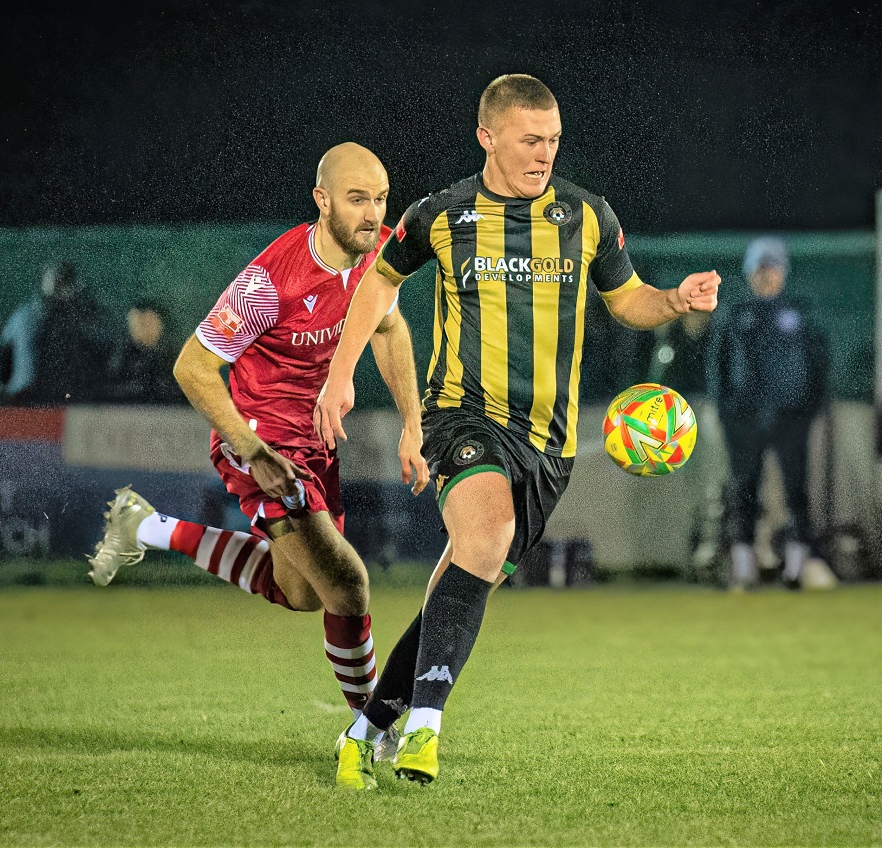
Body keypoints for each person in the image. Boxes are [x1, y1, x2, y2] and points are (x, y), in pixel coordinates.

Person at [315, 74, 720, 789]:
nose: (545, 152)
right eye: (531, 139)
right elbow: (379, 283)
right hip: (462, 415)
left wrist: (673, 300)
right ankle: (424, 731)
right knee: (484, 534)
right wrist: (342, 374)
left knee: (465, 572)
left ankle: (366, 727)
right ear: (489, 138)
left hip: (549, 446)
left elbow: (627, 301)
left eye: (554, 139)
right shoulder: (441, 213)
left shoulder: (586, 215)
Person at [87, 143, 429, 744]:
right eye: (357, 200)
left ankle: (145, 528)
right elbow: (192, 367)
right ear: (321, 201)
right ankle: (373, 729)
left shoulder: (376, 257)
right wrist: (251, 449)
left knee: (301, 593)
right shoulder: (272, 280)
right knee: (348, 588)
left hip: (316, 443)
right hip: (264, 443)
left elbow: (390, 326)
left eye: (380, 198)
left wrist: (411, 423)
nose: (373, 213)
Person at [708, 237, 827, 590]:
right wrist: (726, 411)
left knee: (796, 490)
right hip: (744, 420)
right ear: (749, 273)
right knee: (743, 490)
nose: (766, 275)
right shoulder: (734, 314)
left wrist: (809, 408)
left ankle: (796, 568)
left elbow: (819, 364)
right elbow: (719, 367)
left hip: (792, 418)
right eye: (760, 269)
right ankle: (744, 567)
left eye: (772, 268)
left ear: (783, 272)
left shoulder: (802, 313)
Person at [0, 261, 110, 405]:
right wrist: (4, 387)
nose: (63, 288)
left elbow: (99, 355)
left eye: (66, 281)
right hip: (24, 398)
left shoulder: (83, 318)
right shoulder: (26, 316)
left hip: (69, 399)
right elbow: (5, 355)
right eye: (59, 281)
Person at [107, 299, 183, 404]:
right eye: (136, 322)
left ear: (160, 324)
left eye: (147, 322)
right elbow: (111, 390)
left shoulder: (173, 357)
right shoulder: (120, 357)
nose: (140, 327)